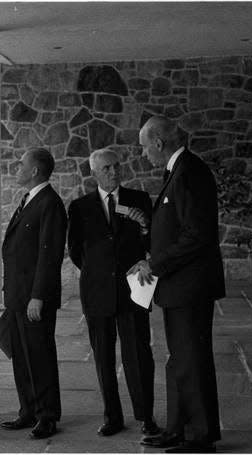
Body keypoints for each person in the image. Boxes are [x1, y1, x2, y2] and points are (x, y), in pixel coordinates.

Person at [135, 116, 224, 453]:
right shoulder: (178, 169)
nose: (143, 154)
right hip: (179, 286)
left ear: (158, 143)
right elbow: (178, 228)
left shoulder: (190, 171)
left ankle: (201, 437)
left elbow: (196, 235)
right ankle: (177, 429)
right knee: (179, 359)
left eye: (145, 147)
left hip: (190, 287)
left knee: (192, 359)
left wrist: (155, 262)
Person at [67, 147, 160, 438]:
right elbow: (75, 251)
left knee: (138, 355)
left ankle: (146, 417)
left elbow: (155, 240)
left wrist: (144, 226)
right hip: (97, 292)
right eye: (106, 168)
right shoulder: (80, 207)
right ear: (94, 174)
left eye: (116, 166)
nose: (113, 172)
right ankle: (112, 417)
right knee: (103, 357)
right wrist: (99, 273)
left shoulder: (139, 200)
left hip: (134, 290)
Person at [0, 148, 67, 439]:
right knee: (22, 357)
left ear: (36, 170)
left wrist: (38, 296)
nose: (17, 167)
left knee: (39, 356)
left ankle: (47, 416)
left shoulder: (50, 203)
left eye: (21, 164)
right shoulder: (29, 199)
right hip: (17, 294)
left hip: (33, 298)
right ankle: (28, 410)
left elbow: (49, 254)